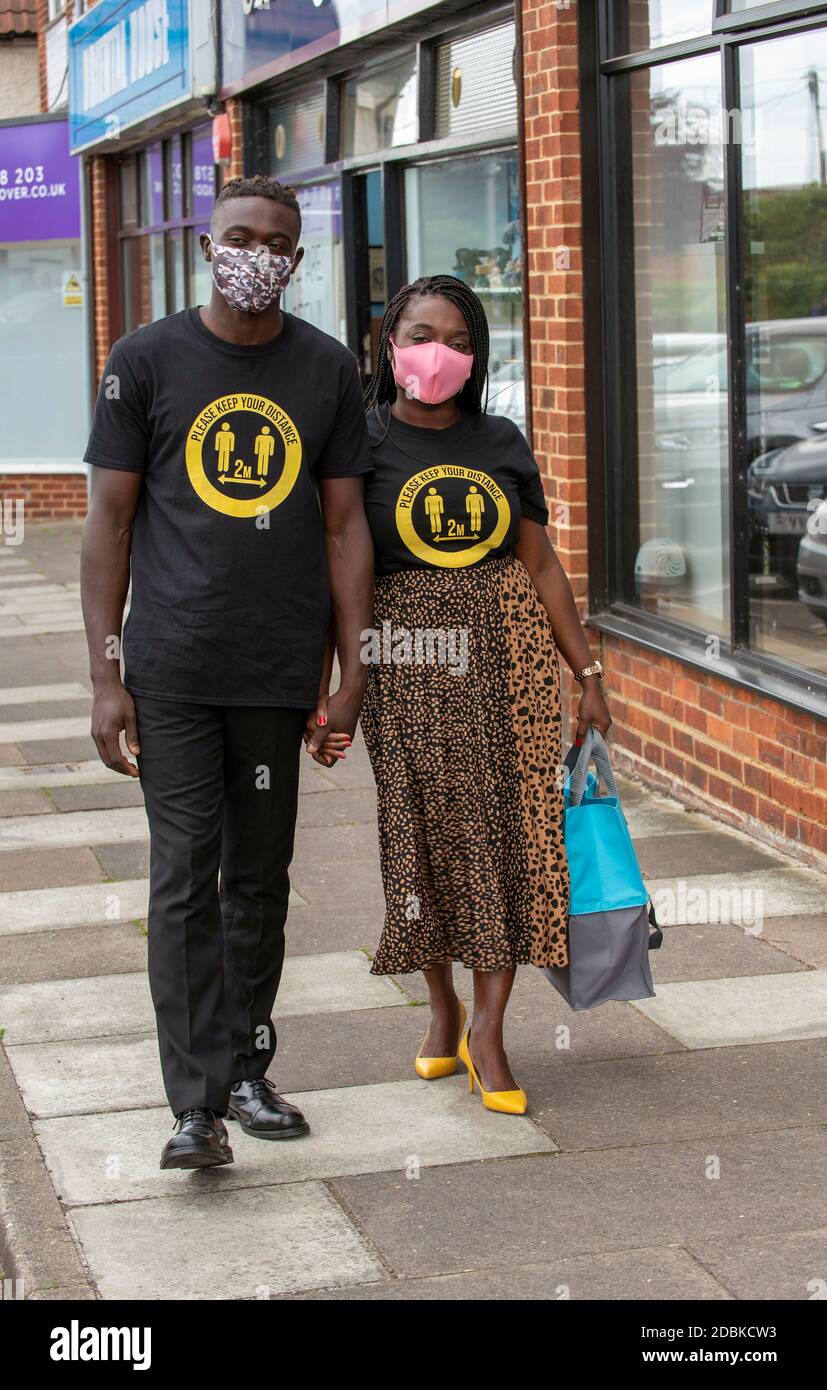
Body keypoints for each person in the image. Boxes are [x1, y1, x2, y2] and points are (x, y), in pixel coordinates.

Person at [80, 175, 374, 1169]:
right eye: (240, 235)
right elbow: (109, 525)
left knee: (256, 877)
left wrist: (349, 672)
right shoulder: (146, 361)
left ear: (297, 258)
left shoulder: (327, 372)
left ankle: (248, 1067)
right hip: (170, 667)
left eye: (277, 240)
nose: (258, 251)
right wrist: (104, 673)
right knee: (184, 881)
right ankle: (194, 1103)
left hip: (275, 669)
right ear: (208, 244)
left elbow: (344, 527)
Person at [306, 275, 611, 1115]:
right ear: (388, 344)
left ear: (472, 356)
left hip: (506, 658)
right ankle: (439, 1009)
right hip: (404, 661)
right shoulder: (356, 442)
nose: (433, 351)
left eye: (453, 337)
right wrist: (334, 683)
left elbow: (541, 564)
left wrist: (584, 674)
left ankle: (488, 1029)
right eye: (418, 333)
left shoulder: (500, 439)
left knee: (511, 837)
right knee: (424, 837)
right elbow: (334, 568)